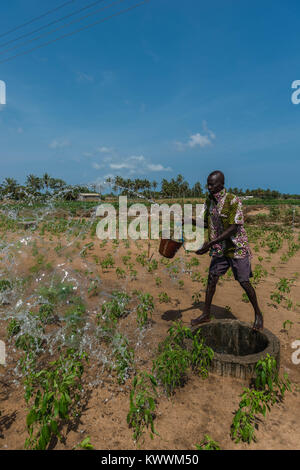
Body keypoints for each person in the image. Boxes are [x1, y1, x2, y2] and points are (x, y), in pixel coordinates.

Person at [190, 170, 264, 331]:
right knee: (211, 279)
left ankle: (258, 314)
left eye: (212, 184)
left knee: (244, 282)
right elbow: (207, 223)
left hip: (236, 247)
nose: (208, 187)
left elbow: (232, 228)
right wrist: (190, 221)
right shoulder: (209, 201)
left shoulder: (233, 201)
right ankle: (206, 314)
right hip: (220, 248)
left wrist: (209, 244)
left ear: (221, 184)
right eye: (207, 184)